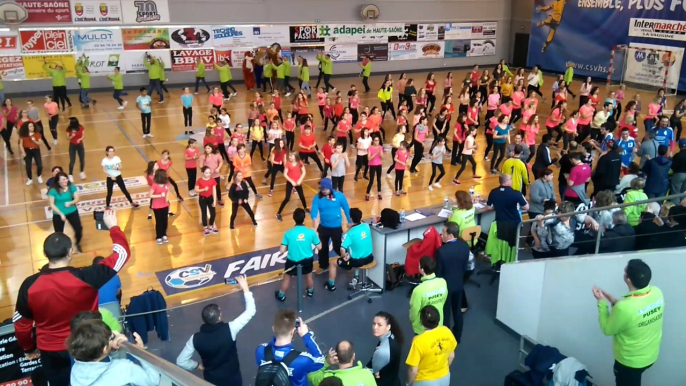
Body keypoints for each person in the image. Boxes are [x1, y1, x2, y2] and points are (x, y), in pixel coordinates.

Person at [14, 210, 129, 386]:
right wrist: (113, 226)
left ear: (46, 254)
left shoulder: (29, 285)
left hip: (50, 351)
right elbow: (122, 254)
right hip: (87, 345)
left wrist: (29, 348)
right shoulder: (86, 277)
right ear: (70, 253)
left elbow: (22, 324)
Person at [593, 259, 664, 386]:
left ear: (628, 280)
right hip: (651, 355)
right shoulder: (657, 292)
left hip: (630, 363)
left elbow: (607, 329)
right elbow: (635, 314)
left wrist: (601, 302)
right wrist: (614, 301)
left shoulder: (624, 308)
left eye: (625, 271)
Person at [176, 275, 255, 385]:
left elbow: (181, 361)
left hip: (212, 380)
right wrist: (245, 288)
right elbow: (250, 311)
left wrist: (197, 366)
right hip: (233, 378)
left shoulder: (195, 339)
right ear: (219, 317)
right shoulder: (230, 329)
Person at [67, 320, 158, 386]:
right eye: (111, 337)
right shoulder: (124, 368)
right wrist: (141, 352)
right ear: (105, 349)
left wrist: (111, 348)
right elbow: (153, 381)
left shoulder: (76, 368)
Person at [256, 311, 324, 386]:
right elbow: (320, 361)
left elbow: (270, 347)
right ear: (292, 332)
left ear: (273, 329)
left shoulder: (261, 350)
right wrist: (306, 336)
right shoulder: (302, 360)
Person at [311, 178, 351, 287]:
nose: (324, 191)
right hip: (323, 226)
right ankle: (323, 265)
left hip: (336, 227)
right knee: (322, 248)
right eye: (322, 189)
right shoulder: (317, 198)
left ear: (330, 188)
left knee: (339, 246)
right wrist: (314, 225)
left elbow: (346, 208)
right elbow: (314, 211)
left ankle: (346, 261)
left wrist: (350, 221)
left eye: (326, 189)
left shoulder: (339, 196)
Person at [435, 222, 470, 342]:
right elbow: (465, 266)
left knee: (445, 313)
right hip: (459, 284)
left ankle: (445, 338)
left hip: (445, 287)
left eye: (443, 232)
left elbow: (438, 274)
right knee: (457, 311)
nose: (441, 234)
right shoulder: (465, 246)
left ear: (450, 235)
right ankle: (457, 337)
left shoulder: (441, 251)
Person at [276, 208, 322, 301]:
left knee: (287, 278)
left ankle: (281, 295)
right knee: (308, 276)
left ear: (294, 218)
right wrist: (316, 236)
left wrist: (290, 246)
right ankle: (310, 291)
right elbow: (320, 247)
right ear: (304, 219)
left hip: (292, 260)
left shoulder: (288, 233)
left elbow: (281, 251)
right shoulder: (311, 232)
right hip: (307, 260)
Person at [405, 305, 457, 386]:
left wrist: (407, 383)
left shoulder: (418, 341)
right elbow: (451, 356)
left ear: (421, 322)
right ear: (438, 319)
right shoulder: (447, 331)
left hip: (424, 381)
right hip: (444, 377)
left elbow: (413, 370)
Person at [335, 207, 373, 288]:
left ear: (351, 218)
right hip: (370, 257)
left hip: (357, 261)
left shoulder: (350, 233)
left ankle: (332, 283)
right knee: (356, 251)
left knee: (339, 262)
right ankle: (356, 277)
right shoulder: (366, 226)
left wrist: (343, 256)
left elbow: (342, 248)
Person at [308, 341, 377, 386]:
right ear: (353, 356)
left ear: (336, 357)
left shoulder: (328, 379)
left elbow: (311, 374)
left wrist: (327, 362)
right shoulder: (366, 374)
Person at [409, 256, 448, 335]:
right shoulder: (443, 282)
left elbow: (414, 310)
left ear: (422, 270)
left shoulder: (418, 290)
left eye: (419, 265)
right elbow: (444, 299)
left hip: (422, 327)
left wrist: (412, 320)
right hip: (438, 322)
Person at [48, 172, 83, 253]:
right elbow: (52, 204)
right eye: (63, 179)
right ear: (58, 181)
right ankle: (62, 249)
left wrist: (70, 203)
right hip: (58, 214)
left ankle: (77, 243)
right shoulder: (53, 191)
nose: (65, 181)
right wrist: (61, 214)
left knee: (78, 229)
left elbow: (77, 198)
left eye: (66, 179)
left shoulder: (71, 187)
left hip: (72, 211)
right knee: (59, 233)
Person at [367, 312, 403, 386]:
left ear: (388, 327)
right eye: (374, 324)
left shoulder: (382, 351)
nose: (375, 327)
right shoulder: (393, 337)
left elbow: (371, 371)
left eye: (379, 325)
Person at [149, 169, 171, 245]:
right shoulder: (154, 185)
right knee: (159, 222)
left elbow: (168, 191)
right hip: (156, 206)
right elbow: (150, 195)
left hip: (165, 205)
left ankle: (164, 234)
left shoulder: (167, 184)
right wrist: (159, 195)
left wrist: (167, 197)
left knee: (165, 221)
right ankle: (159, 236)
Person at [18, 121, 43, 186]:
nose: (32, 127)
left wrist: (34, 140)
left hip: (36, 150)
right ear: (27, 127)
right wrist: (23, 152)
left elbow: (40, 143)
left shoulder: (37, 134)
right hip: (27, 151)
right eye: (30, 126)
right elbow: (20, 145)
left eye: (32, 126)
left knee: (39, 165)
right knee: (28, 166)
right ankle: (30, 179)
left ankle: (39, 176)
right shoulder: (23, 135)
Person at [670, 139, 686, 204]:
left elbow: (673, 166)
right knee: (684, 193)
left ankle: (675, 209)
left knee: (675, 193)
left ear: (679, 146)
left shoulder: (677, 155)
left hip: (679, 175)